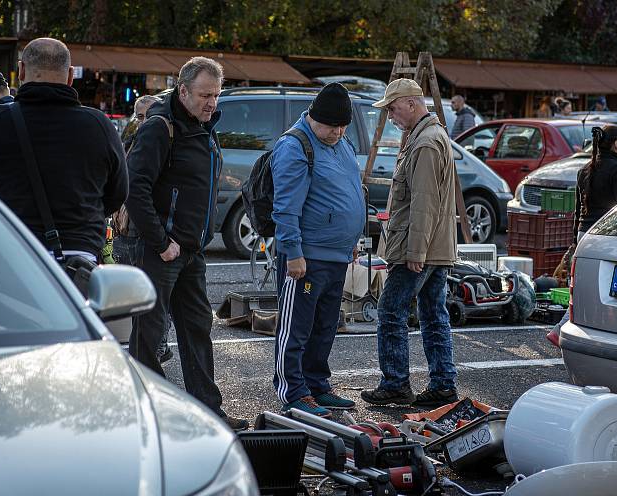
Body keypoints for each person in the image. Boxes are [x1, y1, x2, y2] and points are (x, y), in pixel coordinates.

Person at [125, 56, 248, 431]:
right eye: (204, 95)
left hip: (190, 251)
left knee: (197, 329)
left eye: (216, 94)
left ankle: (208, 411)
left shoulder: (203, 127)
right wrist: (161, 241)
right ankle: (150, 416)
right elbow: (135, 188)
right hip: (159, 250)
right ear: (183, 91)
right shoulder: (160, 128)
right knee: (148, 335)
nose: (212, 102)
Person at [0, 37, 127, 267]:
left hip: (8, 254)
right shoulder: (100, 126)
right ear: (70, 76)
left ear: (20, 71)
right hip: (78, 263)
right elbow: (118, 193)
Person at [361, 78, 459, 408]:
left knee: (391, 311)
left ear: (412, 104)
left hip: (418, 248)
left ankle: (396, 383)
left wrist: (415, 251)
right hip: (435, 247)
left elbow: (424, 202)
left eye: (393, 107)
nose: (391, 115)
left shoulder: (425, 143)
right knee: (433, 313)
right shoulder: (426, 137)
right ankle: (443, 384)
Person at [271, 83, 365, 417]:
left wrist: (351, 241)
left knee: (325, 325)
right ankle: (293, 390)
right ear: (313, 117)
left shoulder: (340, 141)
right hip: (306, 256)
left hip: (336, 253)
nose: (337, 132)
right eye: (331, 126)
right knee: (296, 326)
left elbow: (351, 188)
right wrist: (293, 251)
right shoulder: (294, 147)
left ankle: (317, 385)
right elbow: (285, 207)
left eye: (343, 126)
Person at [546, 125, 617, 346]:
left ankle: (567, 330)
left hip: (585, 234)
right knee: (607, 289)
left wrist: (575, 241)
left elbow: (578, 211)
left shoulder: (585, 170)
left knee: (584, 287)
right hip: (608, 236)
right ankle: (564, 329)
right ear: (616, 144)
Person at [113, 92, 173, 364]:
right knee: (135, 299)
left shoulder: (159, 141)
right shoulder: (129, 141)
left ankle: (157, 349)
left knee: (153, 301)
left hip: (144, 232)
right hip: (124, 229)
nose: (143, 121)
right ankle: (148, 350)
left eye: (148, 115)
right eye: (139, 116)